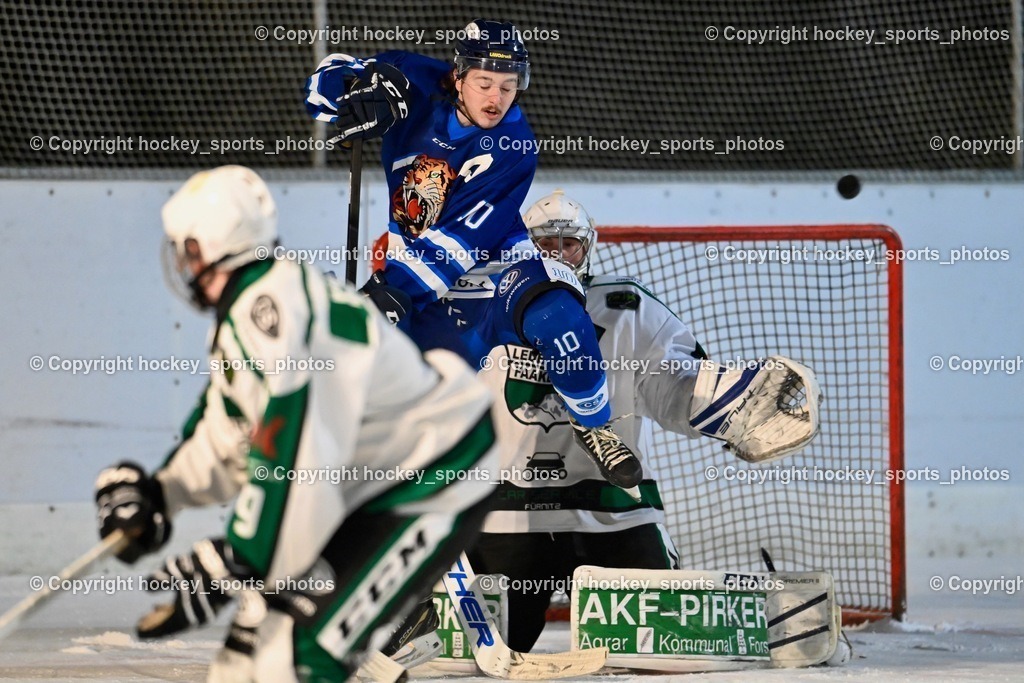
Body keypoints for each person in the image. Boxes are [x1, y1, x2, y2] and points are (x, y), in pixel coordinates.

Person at [93, 165, 500, 681]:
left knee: (299, 653)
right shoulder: (255, 305)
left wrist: (237, 559)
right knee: (252, 654)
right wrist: (161, 494)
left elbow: (302, 461)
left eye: (188, 248)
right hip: (379, 479)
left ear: (215, 244)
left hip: (437, 471)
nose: (181, 262)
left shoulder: (273, 312)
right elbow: (231, 434)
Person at [467, 191, 822, 652]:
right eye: (544, 245)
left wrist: (727, 403)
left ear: (586, 247)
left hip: (614, 508)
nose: (557, 255)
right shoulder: (483, 303)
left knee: (663, 645)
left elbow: (671, 384)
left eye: (568, 244)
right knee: (480, 650)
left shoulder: (626, 305)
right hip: (509, 513)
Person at [305, 19, 645, 494]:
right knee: (409, 417)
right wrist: (350, 90)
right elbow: (319, 87)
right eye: (485, 83)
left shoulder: (515, 146)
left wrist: (390, 293)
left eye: (508, 86)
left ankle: (593, 424)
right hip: (422, 286)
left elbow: (460, 243)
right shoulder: (412, 76)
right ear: (458, 75)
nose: (496, 98)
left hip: (499, 277)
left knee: (558, 316)